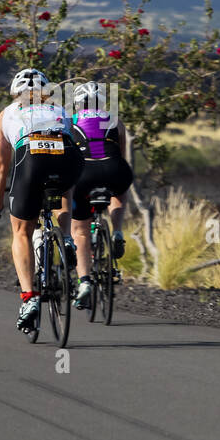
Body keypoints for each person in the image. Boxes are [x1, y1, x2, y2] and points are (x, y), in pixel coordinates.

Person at [0, 68, 84, 333]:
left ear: (15, 92)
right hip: (69, 159)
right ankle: (66, 238)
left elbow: (0, 168)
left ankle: (29, 298)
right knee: (64, 187)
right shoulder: (60, 109)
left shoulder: (6, 114)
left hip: (30, 160)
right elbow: (73, 140)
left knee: (21, 231)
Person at [68, 81, 134, 309]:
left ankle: (84, 280)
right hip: (115, 170)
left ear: (77, 103)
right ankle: (116, 231)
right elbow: (121, 154)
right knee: (121, 189)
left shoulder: (70, 122)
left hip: (84, 174)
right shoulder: (116, 120)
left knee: (80, 231)